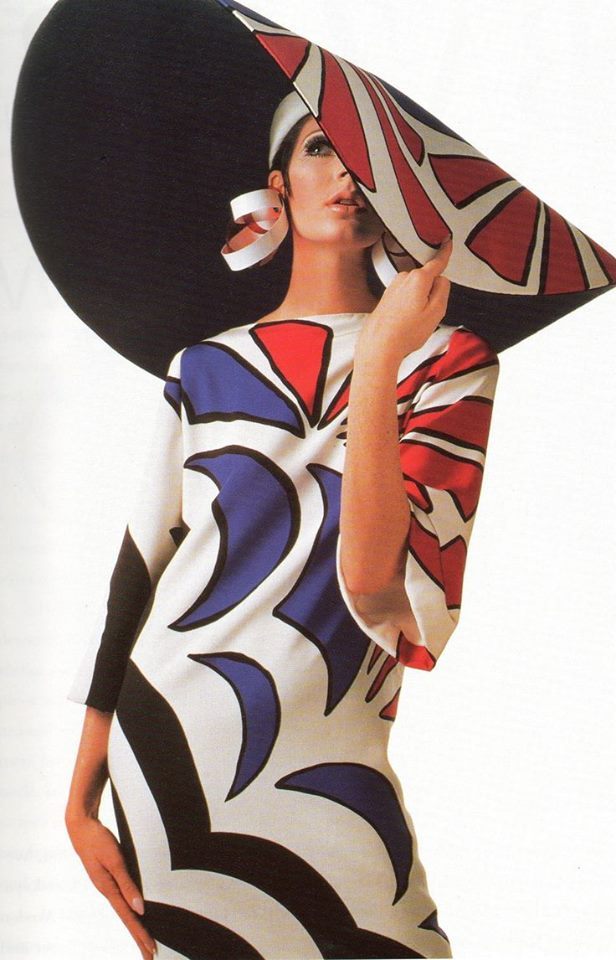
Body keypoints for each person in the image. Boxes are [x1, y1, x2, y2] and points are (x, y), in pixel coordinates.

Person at [64, 92, 499, 960]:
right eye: (319, 148)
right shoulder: (204, 367)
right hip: (171, 744)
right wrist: (80, 798)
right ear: (278, 186)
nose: (346, 174)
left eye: (367, 158)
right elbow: (140, 570)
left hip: (330, 754)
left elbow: (377, 583)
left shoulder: (446, 361)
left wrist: (381, 353)